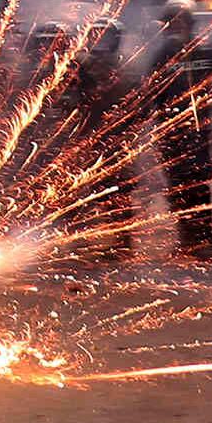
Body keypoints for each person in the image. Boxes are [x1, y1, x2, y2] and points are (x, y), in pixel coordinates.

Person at [148, 0, 212, 258]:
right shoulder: (209, 48)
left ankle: (194, 239)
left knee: (184, 184)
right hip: (199, 127)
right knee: (196, 183)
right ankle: (201, 236)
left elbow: (152, 92)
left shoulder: (163, 53)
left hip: (180, 129)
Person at [75, 17, 139, 253]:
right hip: (87, 138)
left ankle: (122, 241)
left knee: (120, 190)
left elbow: (137, 102)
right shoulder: (80, 65)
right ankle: (80, 240)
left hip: (116, 138)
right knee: (81, 190)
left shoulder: (126, 66)